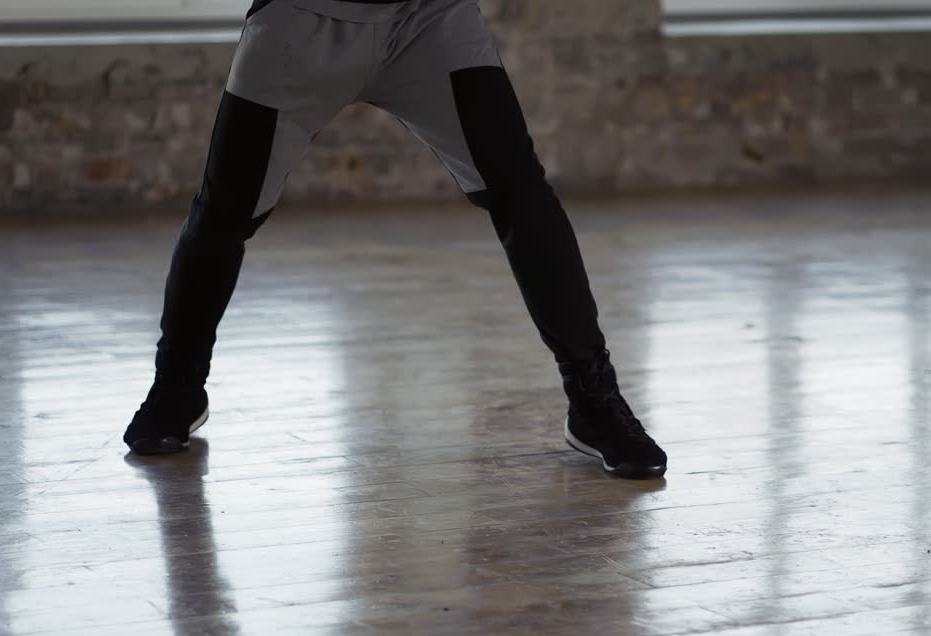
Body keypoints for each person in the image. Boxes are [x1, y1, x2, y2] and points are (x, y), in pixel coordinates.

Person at [123, 0, 667, 478]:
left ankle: (595, 402)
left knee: (521, 192)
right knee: (224, 209)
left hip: (430, 18)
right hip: (301, 18)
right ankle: (176, 389)